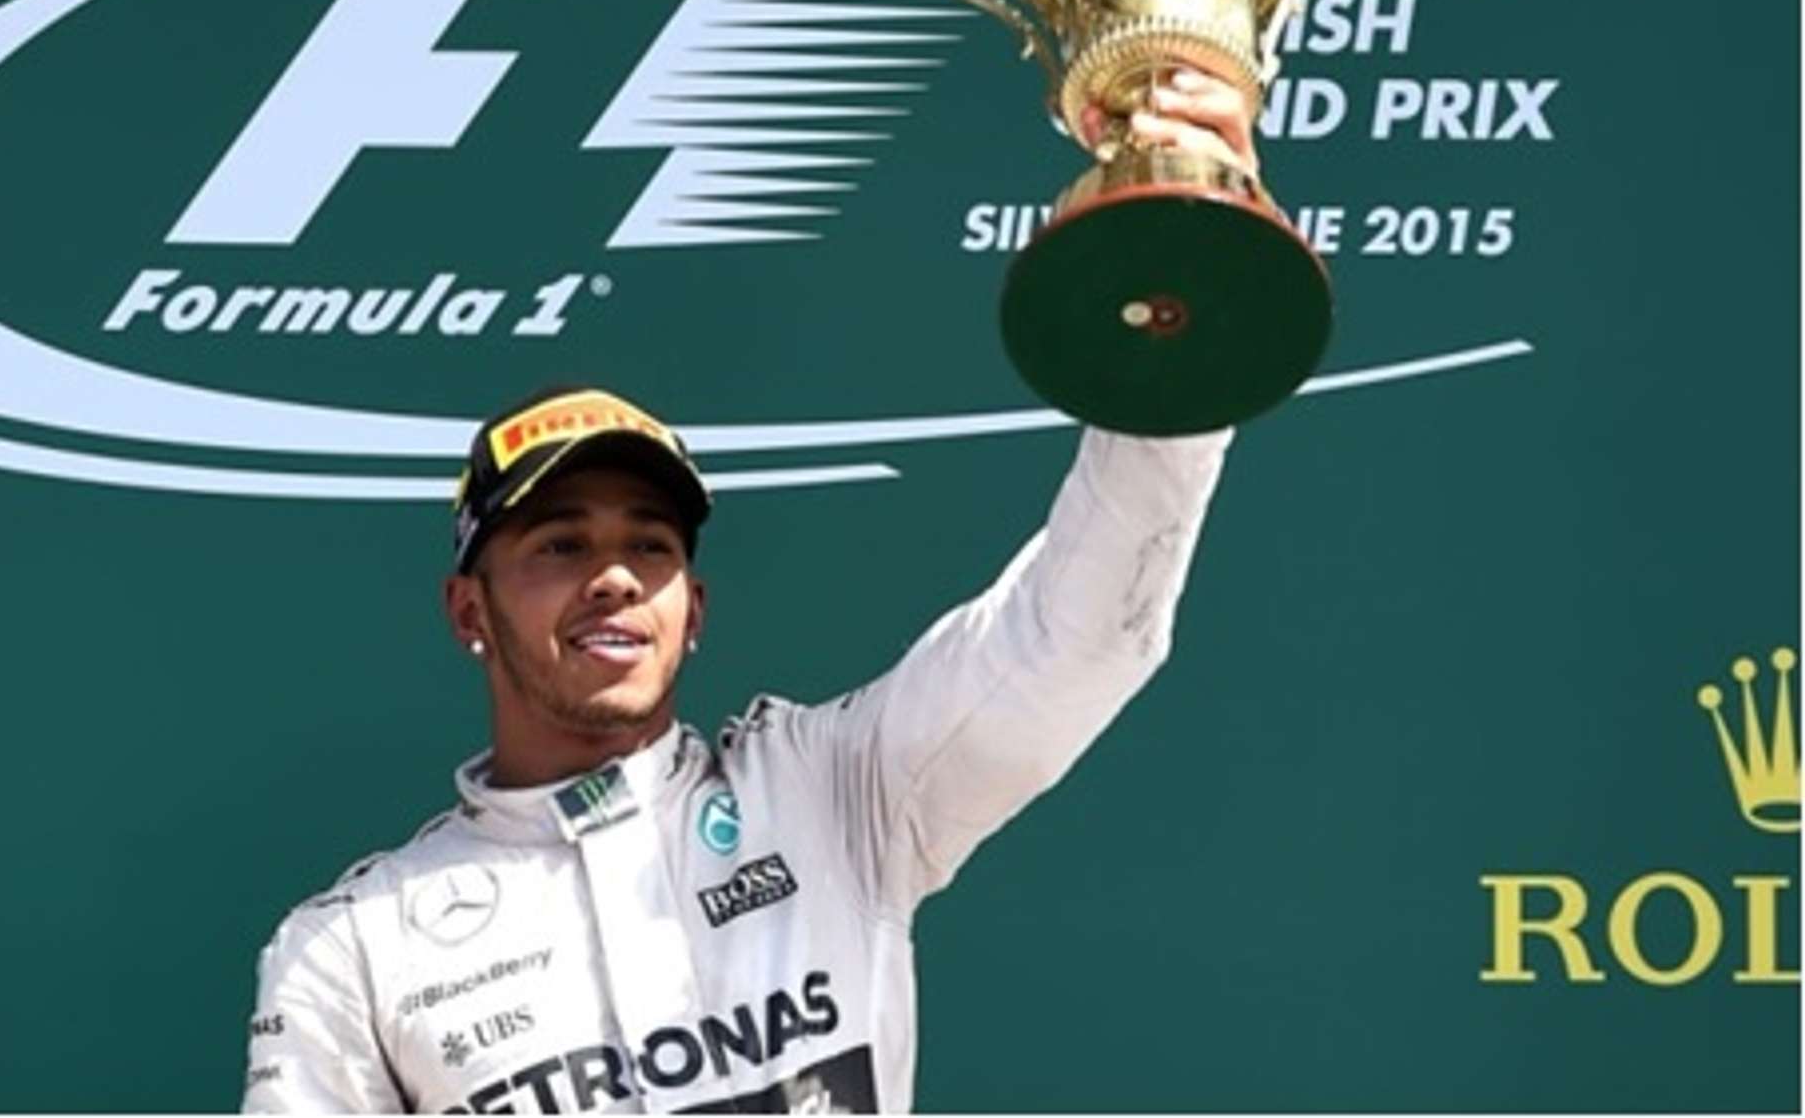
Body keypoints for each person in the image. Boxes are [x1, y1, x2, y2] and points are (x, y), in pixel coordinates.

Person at [242, 70, 1258, 1114]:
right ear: (470, 611)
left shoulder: (832, 792)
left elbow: (1074, 637)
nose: (614, 578)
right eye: (559, 544)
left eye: (651, 546)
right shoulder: (351, 950)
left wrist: (1183, 277)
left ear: (693, 611)